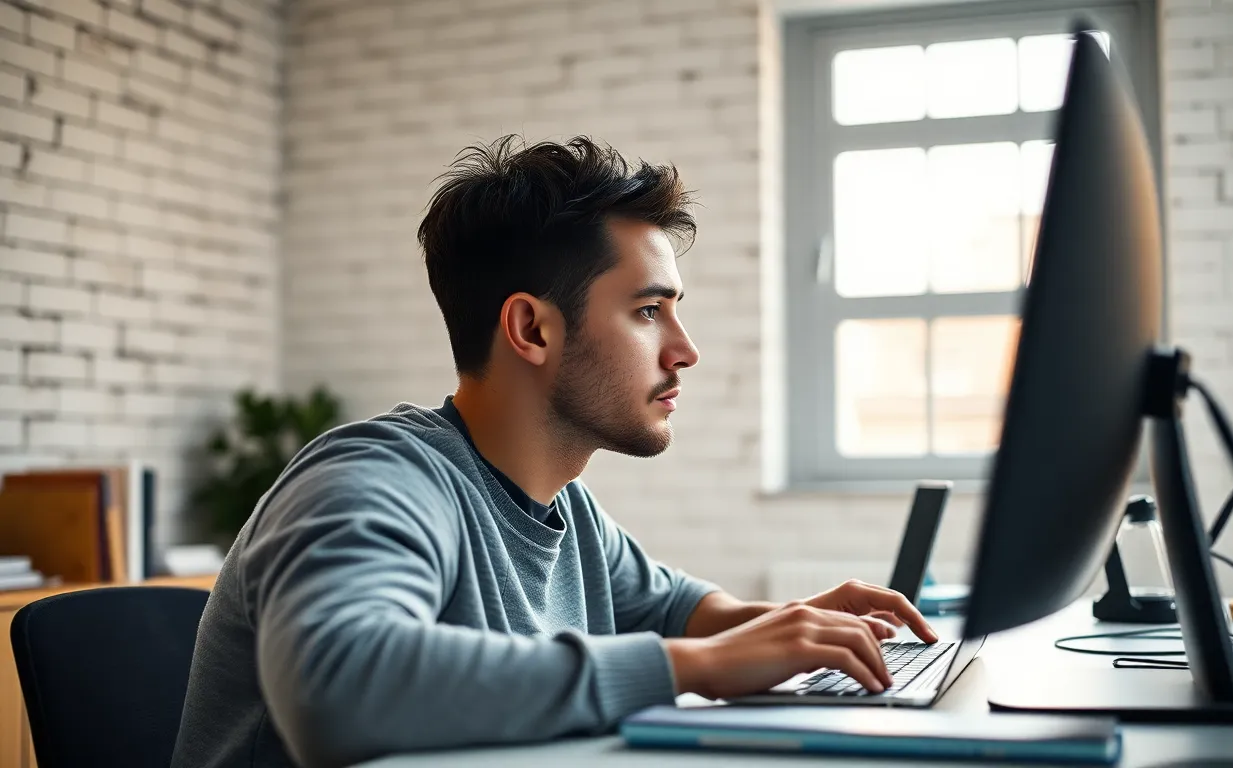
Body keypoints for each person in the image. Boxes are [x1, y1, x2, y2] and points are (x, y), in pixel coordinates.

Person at [171, 136, 937, 768]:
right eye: (648, 312)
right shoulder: (372, 480)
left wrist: (795, 628)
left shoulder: (561, 505)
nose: (686, 351)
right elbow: (337, 692)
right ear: (533, 330)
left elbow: (677, 609)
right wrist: (697, 668)